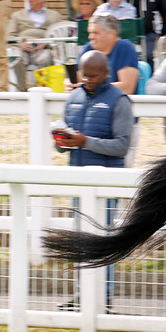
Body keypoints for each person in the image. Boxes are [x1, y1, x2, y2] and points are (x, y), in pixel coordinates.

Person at [54, 49, 133, 312]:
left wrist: (85, 141)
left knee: (102, 242)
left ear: (106, 74)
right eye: (84, 74)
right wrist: (62, 142)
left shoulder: (119, 100)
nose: (87, 79)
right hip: (78, 180)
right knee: (80, 242)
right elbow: (64, 146)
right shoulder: (73, 97)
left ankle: (104, 299)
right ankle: (82, 297)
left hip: (105, 184)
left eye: (93, 75)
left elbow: (122, 146)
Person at [7, 0, 63, 85]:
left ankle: (41, 89)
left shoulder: (54, 16)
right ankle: (22, 90)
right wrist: (21, 43)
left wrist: (45, 43)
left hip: (43, 47)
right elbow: (9, 36)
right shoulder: (17, 15)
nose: (28, 0)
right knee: (17, 60)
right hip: (22, 48)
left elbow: (59, 36)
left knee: (46, 58)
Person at [77, 13, 139, 94]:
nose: (90, 37)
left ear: (112, 34)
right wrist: (69, 84)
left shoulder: (124, 47)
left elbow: (127, 88)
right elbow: (77, 78)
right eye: (90, 33)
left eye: (96, 33)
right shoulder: (89, 48)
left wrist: (93, 88)